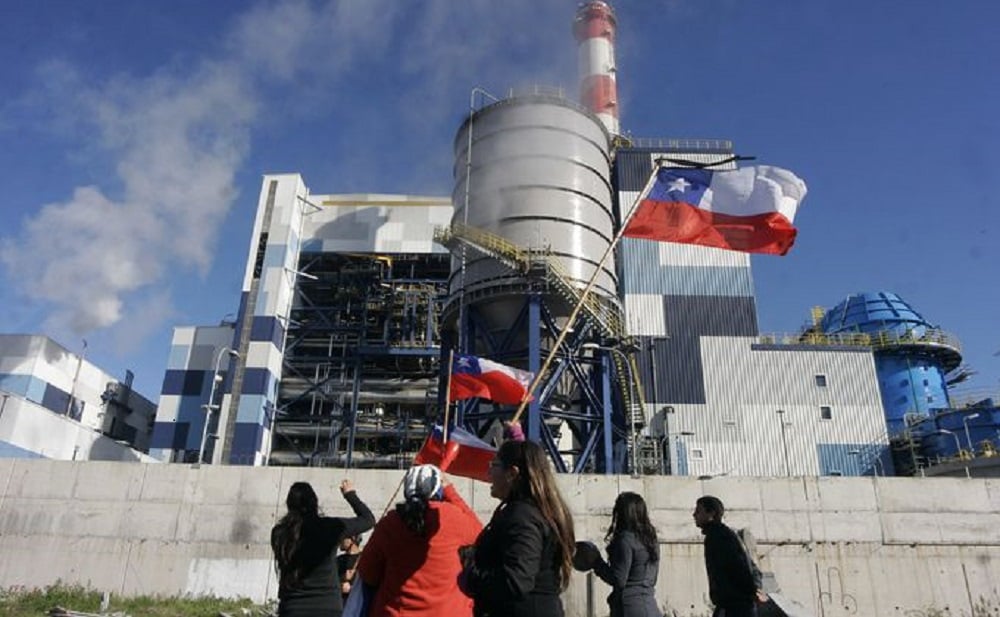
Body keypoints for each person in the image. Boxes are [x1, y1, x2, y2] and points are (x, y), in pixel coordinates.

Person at [461, 439, 576, 617]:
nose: (489, 472)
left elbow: (516, 580)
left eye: (495, 464)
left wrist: (471, 573)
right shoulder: (535, 511)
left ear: (512, 473)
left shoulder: (523, 516)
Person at [356, 464, 483, 617]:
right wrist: (450, 491)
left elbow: (368, 574)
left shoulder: (391, 522)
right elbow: (480, 534)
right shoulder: (454, 517)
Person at [271, 479, 375, 617]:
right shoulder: (329, 527)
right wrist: (350, 494)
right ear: (314, 503)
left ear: (289, 504)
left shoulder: (279, 533)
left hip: (293, 607)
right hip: (328, 607)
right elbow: (368, 520)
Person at [579, 492, 662, 617]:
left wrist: (597, 563)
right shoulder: (652, 540)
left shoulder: (625, 540)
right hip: (650, 606)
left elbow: (618, 580)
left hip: (629, 608)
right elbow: (653, 578)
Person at [693, 495, 757, 617]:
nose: (694, 515)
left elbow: (737, 566)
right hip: (733, 604)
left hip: (735, 606)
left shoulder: (719, 536)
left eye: (698, 511)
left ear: (711, 513)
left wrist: (749, 592)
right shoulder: (719, 534)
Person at [336, 534, 363, 603]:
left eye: (343, 537)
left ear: (353, 539)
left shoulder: (364, 559)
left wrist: (351, 589)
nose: (340, 540)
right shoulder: (338, 560)